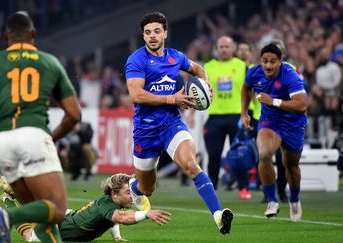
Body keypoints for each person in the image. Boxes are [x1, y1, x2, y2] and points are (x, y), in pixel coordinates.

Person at [0, 11, 82, 242]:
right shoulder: (49, 62)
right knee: (57, 209)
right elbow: (74, 114)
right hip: (33, 135)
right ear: (34, 35)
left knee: (41, 213)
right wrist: (53, 137)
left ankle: (14, 218)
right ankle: (8, 216)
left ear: (7, 37)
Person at [124, 12, 233, 234]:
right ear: (143, 36)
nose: (152, 36)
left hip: (171, 124)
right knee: (148, 187)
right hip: (145, 129)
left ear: (165, 33)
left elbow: (197, 69)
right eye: (147, 33)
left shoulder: (175, 56)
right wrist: (172, 98)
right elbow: (136, 95)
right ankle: (134, 188)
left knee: (191, 164)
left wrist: (207, 85)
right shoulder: (136, 60)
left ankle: (218, 215)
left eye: (156, 31)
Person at [241, 43, 308, 221]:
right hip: (270, 122)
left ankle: (294, 200)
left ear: (280, 62)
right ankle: (272, 200)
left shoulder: (291, 75)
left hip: (293, 124)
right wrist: (244, 112)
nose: (268, 65)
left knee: (291, 166)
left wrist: (274, 102)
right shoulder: (254, 72)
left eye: (272, 61)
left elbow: (302, 104)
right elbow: (246, 87)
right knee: (264, 154)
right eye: (265, 61)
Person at [0, 174, 171, 242]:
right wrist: (147, 213)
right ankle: (9, 200)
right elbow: (120, 218)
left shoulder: (113, 203)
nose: (132, 196)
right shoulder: (108, 205)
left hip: (70, 216)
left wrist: (117, 237)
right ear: (114, 194)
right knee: (29, 236)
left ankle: (15, 191)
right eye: (128, 192)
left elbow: (113, 217)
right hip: (60, 226)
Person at [202, 36, 251, 200]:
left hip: (236, 116)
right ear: (216, 48)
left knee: (239, 154)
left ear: (233, 49)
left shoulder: (242, 66)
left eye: (226, 46)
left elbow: (249, 90)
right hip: (215, 116)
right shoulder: (207, 67)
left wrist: (246, 113)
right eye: (220, 46)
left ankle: (243, 188)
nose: (223, 49)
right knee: (214, 155)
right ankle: (213, 188)